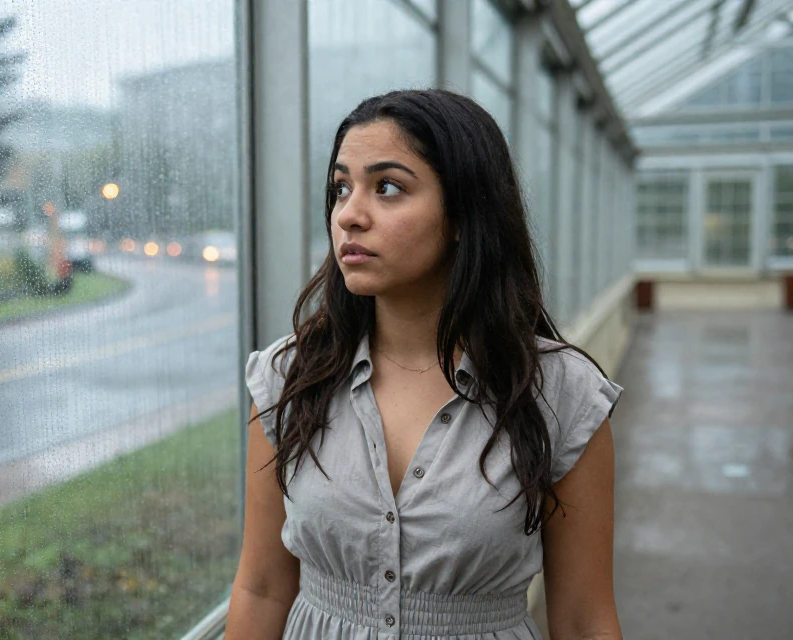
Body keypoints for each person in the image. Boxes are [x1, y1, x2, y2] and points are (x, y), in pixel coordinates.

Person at [226, 89, 623, 640]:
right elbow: (262, 587)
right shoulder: (288, 377)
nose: (349, 216)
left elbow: (584, 620)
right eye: (341, 188)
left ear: (463, 214)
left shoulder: (560, 393)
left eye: (387, 187)